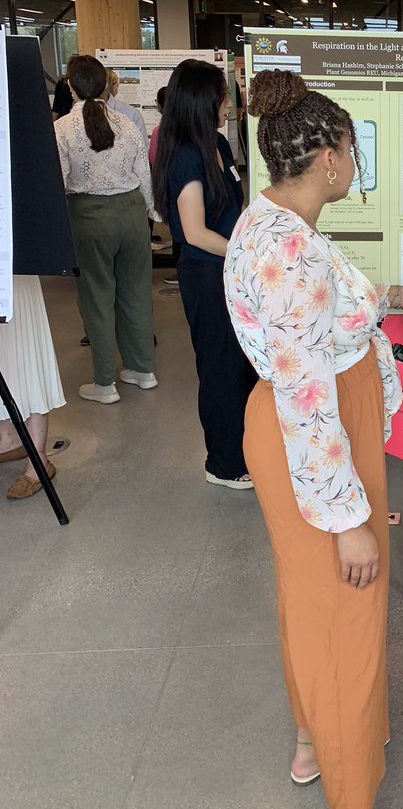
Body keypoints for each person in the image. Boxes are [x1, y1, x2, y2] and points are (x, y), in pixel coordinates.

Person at [224, 69, 403, 809]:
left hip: (319, 432)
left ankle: (311, 738)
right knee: (346, 621)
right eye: (353, 151)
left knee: (310, 600)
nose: (356, 164)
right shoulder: (286, 249)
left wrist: (390, 297)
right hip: (316, 441)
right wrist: (348, 516)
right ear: (328, 159)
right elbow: (305, 393)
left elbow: (320, 314)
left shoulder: (277, 222)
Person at [152, 59, 256, 490]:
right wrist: (246, 252)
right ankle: (224, 464)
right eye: (223, 97)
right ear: (201, 101)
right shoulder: (185, 156)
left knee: (244, 366)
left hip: (233, 270)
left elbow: (235, 203)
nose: (229, 105)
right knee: (219, 367)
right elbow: (195, 233)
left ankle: (249, 450)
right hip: (208, 275)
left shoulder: (217, 143)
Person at [55, 55, 156, 405]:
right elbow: (144, 174)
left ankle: (105, 383)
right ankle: (142, 370)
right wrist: (152, 213)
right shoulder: (127, 123)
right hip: (132, 214)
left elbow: (59, 181)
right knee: (137, 292)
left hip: (88, 216)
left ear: (70, 86)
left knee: (97, 297)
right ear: (105, 86)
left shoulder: (62, 128)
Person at [0, 276, 66, 499]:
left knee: (27, 357)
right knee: (3, 359)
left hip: (17, 275)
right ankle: (9, 439)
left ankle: (38, 458)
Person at [105, 69, 148, 145]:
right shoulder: (131, 112)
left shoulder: (133, 113)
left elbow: (143, 146)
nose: (118, 86)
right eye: (116, 84)